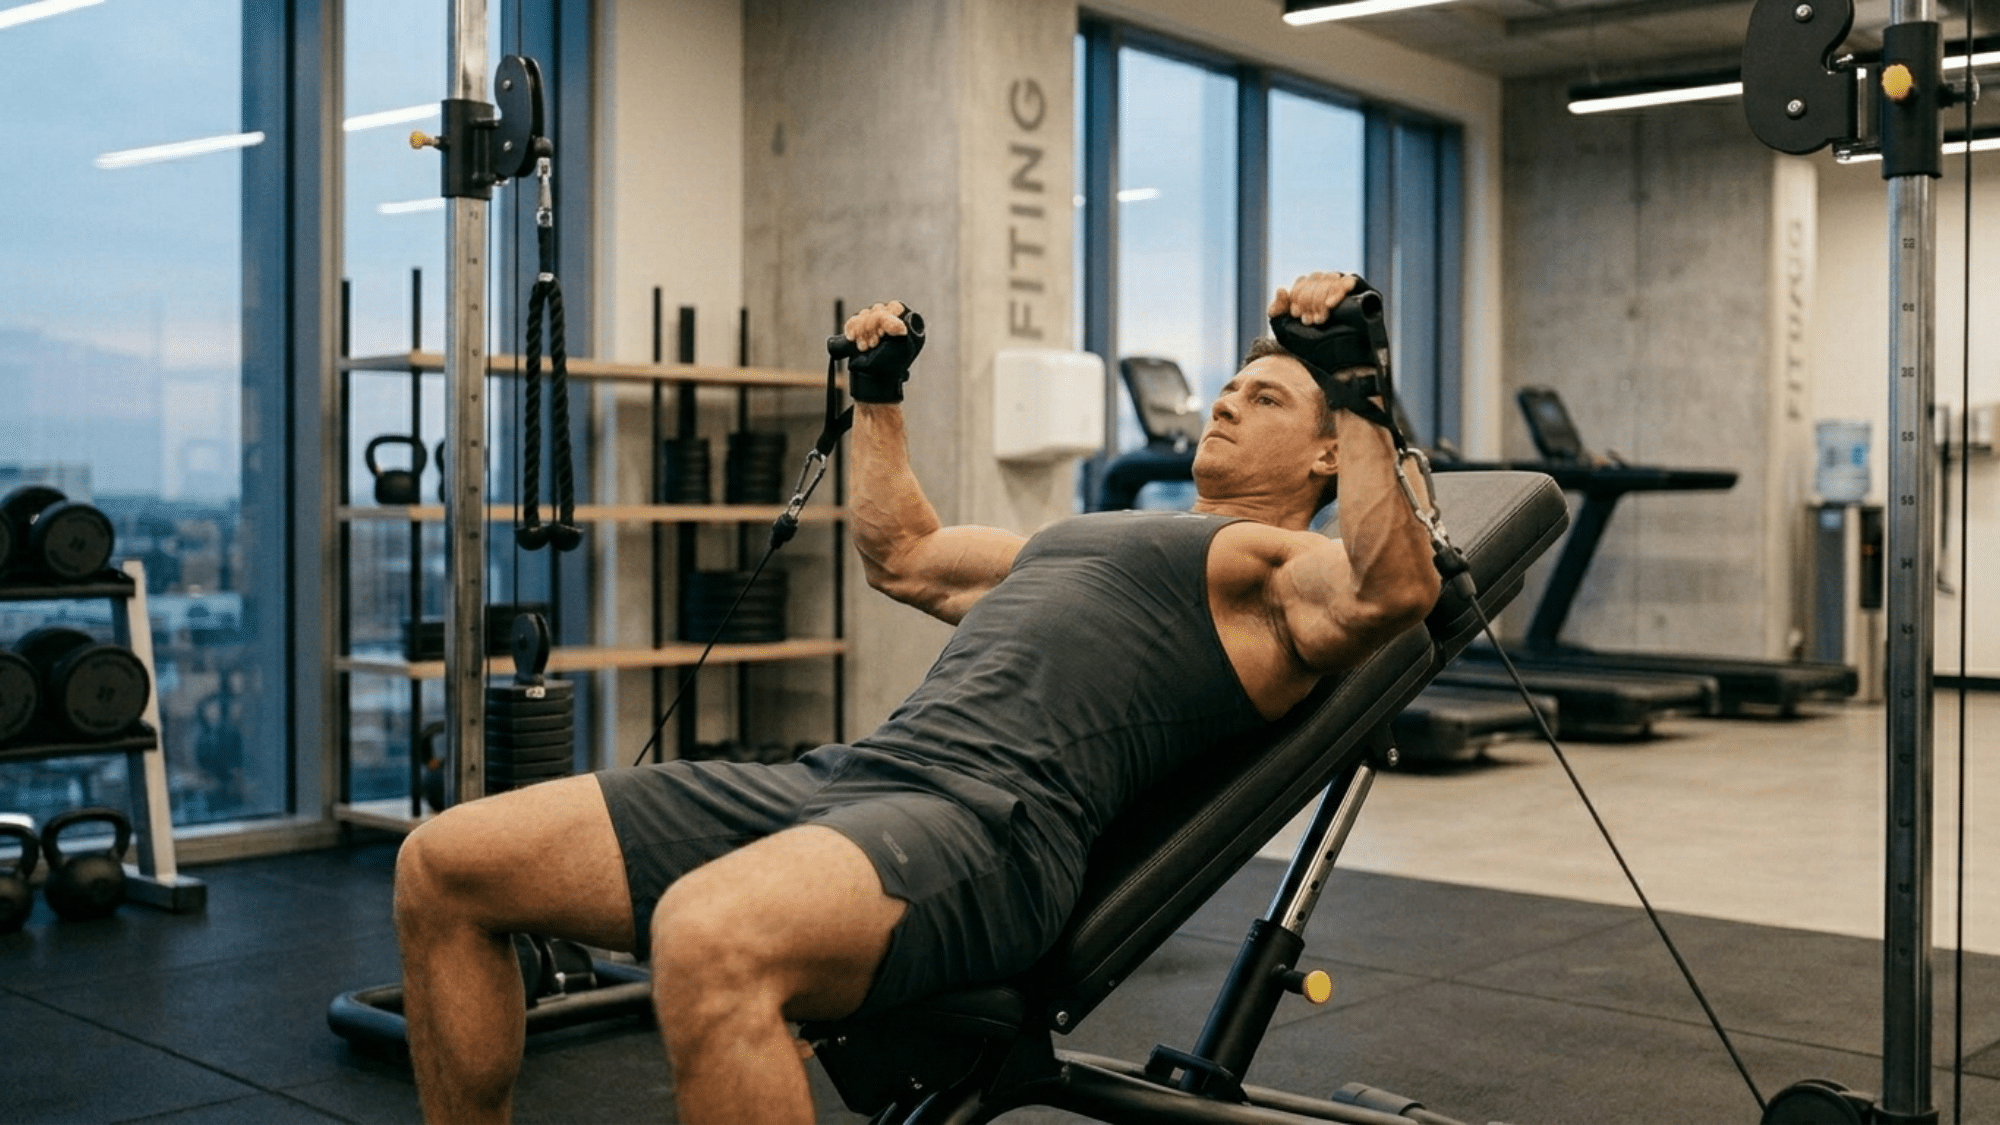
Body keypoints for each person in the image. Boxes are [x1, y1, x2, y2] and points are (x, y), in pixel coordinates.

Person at [391, 270, 1441, 1124]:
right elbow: (903, 555)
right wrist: (877, 397)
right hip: (847, 784)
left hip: (985, 830)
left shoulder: (1273, 568)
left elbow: (1390, 587)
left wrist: (1354, 390)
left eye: (1265, 396)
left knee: (710, 937)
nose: (1223, 401)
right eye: (1228, 387)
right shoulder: (1080, 536)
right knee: (444, 865)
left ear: (1323, 447)